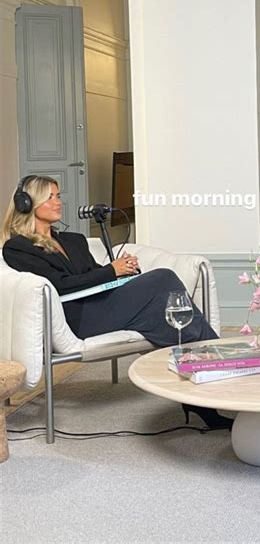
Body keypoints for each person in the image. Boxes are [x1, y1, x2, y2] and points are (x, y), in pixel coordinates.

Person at [2, 175, 231, 429]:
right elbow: (59, 284)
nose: (58, 202)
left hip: (102, 305)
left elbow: (93, 273)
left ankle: (203, 399)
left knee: (171, 319)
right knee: (164, 280)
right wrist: (111, 271)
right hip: (77, 317)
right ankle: (227, 374)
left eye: (59, 196)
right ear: (26, 203)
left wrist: (123, 272)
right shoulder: (18, 248)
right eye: (50, 197)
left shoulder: (73, 240)